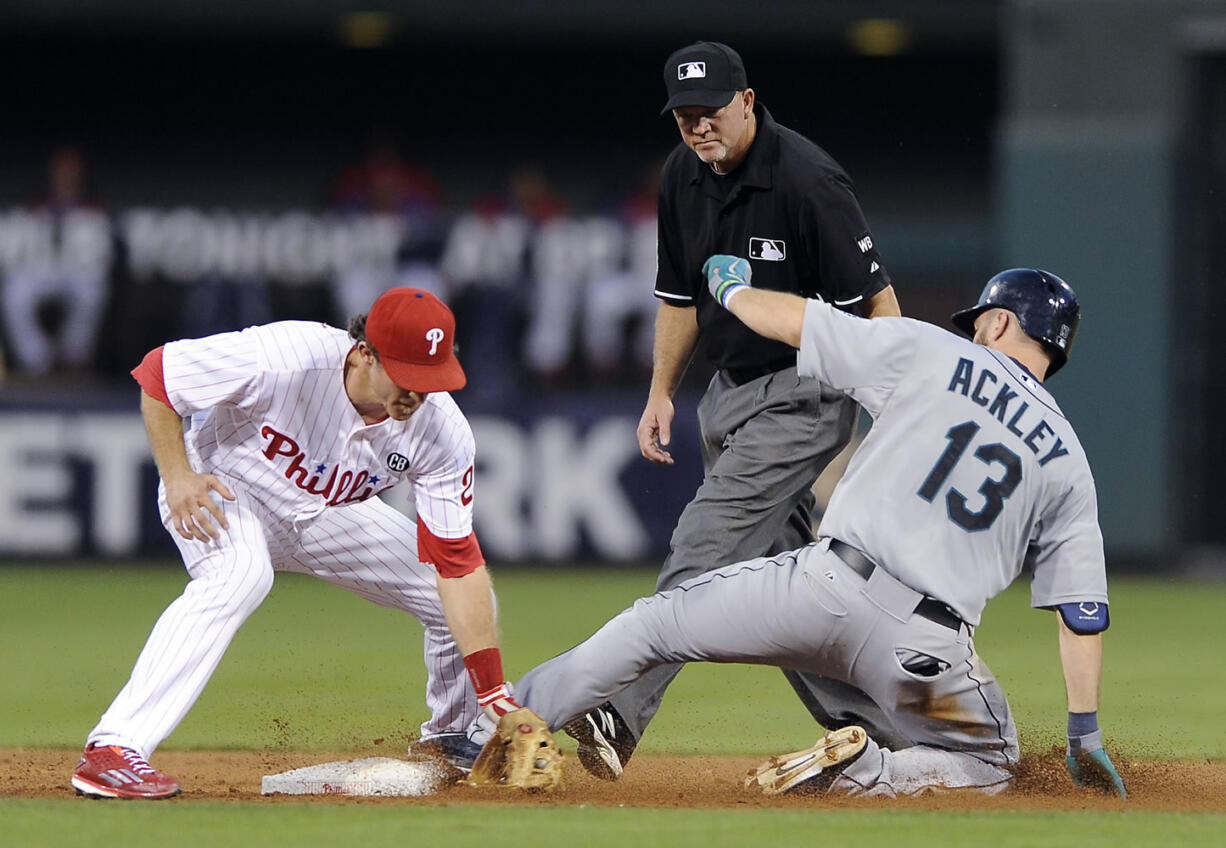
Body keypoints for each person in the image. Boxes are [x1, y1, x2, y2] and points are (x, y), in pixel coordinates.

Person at [517, 260, 1126, 798]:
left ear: (997, 323)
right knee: (989, 766)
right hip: (923, 653)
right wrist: (1084, 731)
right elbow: (1080, 611)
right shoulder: (1069, 461)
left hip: (822, 589)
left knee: (654, 625)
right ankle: (867, 771)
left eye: (979, 320)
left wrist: (732, 291)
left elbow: (799, 323)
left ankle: (504, 727)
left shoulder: (935, 352)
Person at [564, 40, 905, 780]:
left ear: (747, 101)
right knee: (786, 584)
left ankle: (618, 713)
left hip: (806, 389)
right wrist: (660, 390)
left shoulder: (809, 181)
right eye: (684, 115)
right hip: (728, 397)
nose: (698, 127)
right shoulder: (680, 175)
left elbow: (876, 306)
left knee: (704, 542)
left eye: (711, 111)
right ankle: (889, 739)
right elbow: (680, 297)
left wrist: (899, 409)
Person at [71, 287, 529, 799]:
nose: (417, 393)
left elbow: (456, 563)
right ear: (364, 353)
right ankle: (113, 748)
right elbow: (160, 372)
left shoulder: (441, 431)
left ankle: (448, 736)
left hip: (320, 515)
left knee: (461, 593)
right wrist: (177, 474)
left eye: (431, 379)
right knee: (241, 575)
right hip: (223, 489)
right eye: (407, 375)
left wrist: (494, 691)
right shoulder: (285, 356)